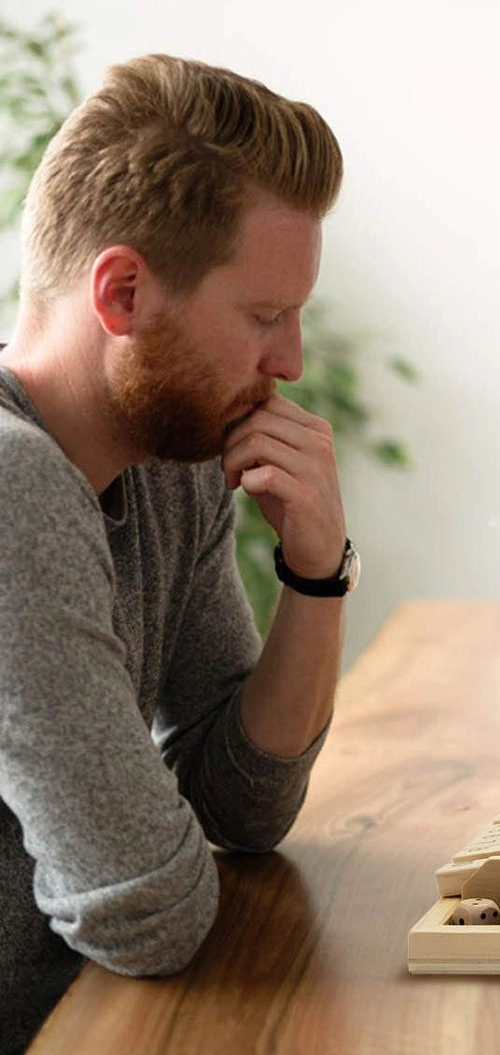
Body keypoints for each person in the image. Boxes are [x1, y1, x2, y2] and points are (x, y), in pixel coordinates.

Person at [0, 55, 360, 1051]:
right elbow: (149, 910)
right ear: (122, 292)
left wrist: (316, 570)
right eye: (262, 315)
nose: (288, 362)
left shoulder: (171, 460)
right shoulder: (10, 484)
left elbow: (243, 801)